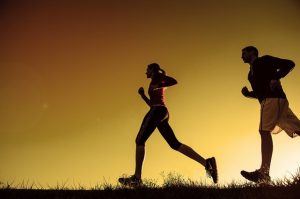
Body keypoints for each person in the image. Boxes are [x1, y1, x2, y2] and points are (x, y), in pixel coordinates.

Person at [119, 63, 218, 186]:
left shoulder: (157, 77)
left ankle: (137, 178)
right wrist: (143, 95)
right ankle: (207, 163)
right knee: (174, 144)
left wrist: (160, 84)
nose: (146, 72)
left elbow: (174, 81)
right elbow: (152, 103)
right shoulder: (155, 81)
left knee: (139, 140)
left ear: (152, 70)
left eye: (147, 70)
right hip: (161, 111)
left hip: (157, 111)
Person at [240, 46, 300, 183]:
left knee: (263, 131)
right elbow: (260, 92)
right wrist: (248, 94)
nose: (241, 56)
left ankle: (264, 172)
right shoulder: (250, 75)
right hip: (274, 101)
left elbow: (290, 64)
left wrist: (275, 77)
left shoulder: (264, 60)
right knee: (298, 128)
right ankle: (264, 172)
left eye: (243, 53)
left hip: (272, 100)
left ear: (252, 52)